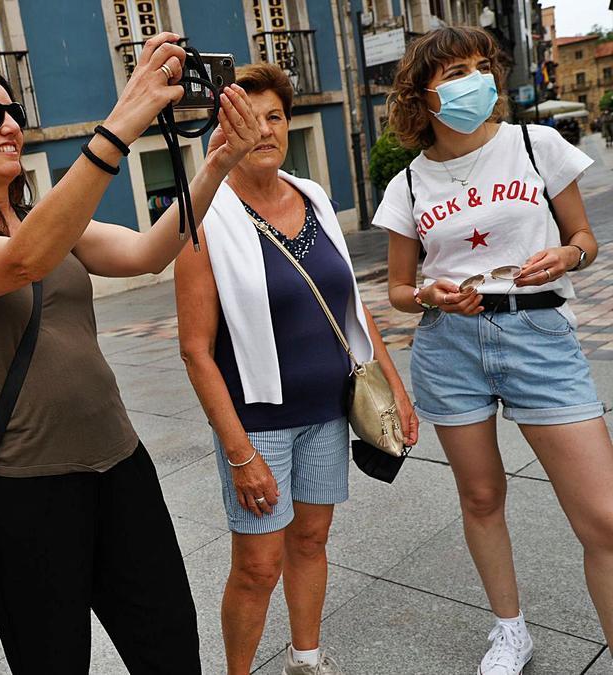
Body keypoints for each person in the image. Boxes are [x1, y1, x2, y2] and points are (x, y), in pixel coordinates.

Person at [0, 33, 262, 673]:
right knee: (54, 663)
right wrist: (122, 121)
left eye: (12, 111)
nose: (8, 124)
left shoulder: (49, 219)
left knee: (171, 648)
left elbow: (148, 251)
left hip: (120, 467)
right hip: (23, 492)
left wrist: (218, 164)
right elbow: (21, 260)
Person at [375, 27, 613, 675]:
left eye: (482, 67)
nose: (475, 80)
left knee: (605, 516)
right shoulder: (409, 184)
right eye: (455, 72)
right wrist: (431, 293)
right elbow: (398, 289)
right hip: (449, 348)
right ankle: (510, 631)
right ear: (422, 94)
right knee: (481, 496)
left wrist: (568, 253)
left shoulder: (535, 146)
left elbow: (585, 238)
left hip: (540, 337)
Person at [174, 62, 417, 675]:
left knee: (310, 542)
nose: (265, 130)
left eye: (275, 116)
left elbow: (351, 306)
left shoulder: (313, 198)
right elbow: (195, 350)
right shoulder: (203, 219)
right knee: (257, 566)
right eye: (247, 119)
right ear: (221, 131)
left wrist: (393, 387)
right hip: (256, 425)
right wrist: (239, 453)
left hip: (328, 413)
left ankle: (306, 659)